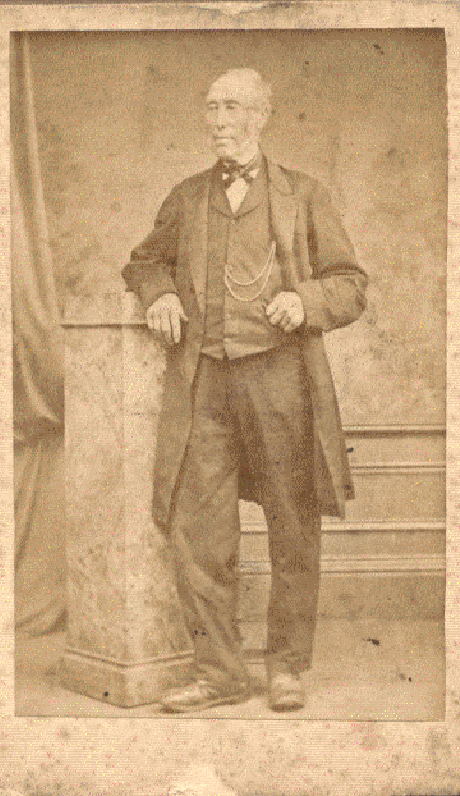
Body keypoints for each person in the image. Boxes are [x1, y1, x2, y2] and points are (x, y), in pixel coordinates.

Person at [122, 68, 368, 712]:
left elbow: (350, 284)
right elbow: (143, 261)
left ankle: (286, 667)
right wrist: (160, 292)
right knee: (199, 529)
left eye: (231, 107)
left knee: (293, 521)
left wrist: (305, 299)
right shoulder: (186, 196)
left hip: (281, 379)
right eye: (211, 108)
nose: (219, 121)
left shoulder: (303, 195)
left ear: (261, 116)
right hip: (203, 382)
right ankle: (221, 673)